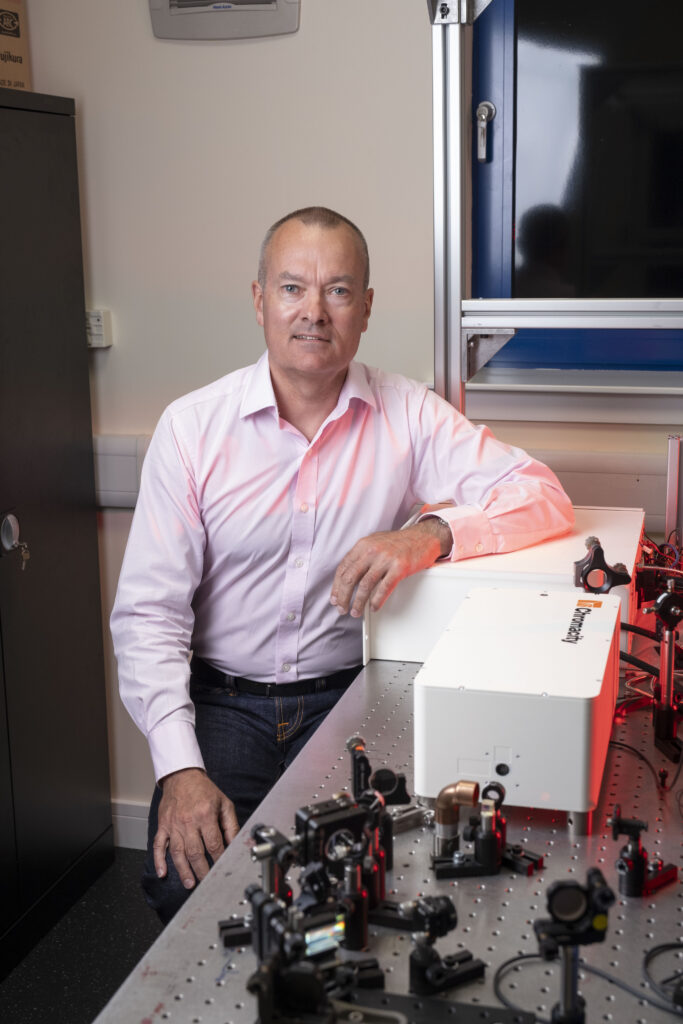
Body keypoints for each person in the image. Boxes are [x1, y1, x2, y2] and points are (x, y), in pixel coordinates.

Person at [111, 206, 574, 922]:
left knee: (376, 894)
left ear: (364, 309)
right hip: (224, 708)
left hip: (351, 700)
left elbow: (541, 494)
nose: (313, 312)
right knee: (190, 894)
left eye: (337, 290)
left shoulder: (409, 413)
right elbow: (149, 616)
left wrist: (430, 533)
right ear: (259, 299)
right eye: (293, 288)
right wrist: (179, 767)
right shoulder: (191, 429)